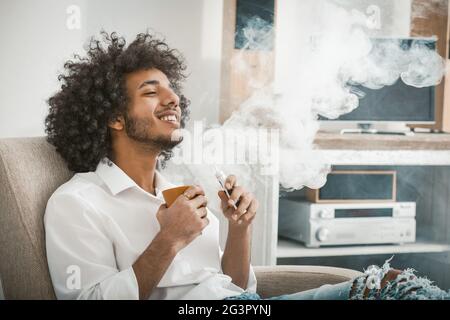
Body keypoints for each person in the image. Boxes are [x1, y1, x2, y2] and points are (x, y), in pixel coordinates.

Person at [44, 31, 450, 300]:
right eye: (152, 93)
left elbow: (236, 291)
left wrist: (239, 231)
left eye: (173, 91)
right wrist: (168, 240)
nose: (173, 101)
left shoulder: (178, 190)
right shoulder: (78, 203)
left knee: (390, 287)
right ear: (113, 116)